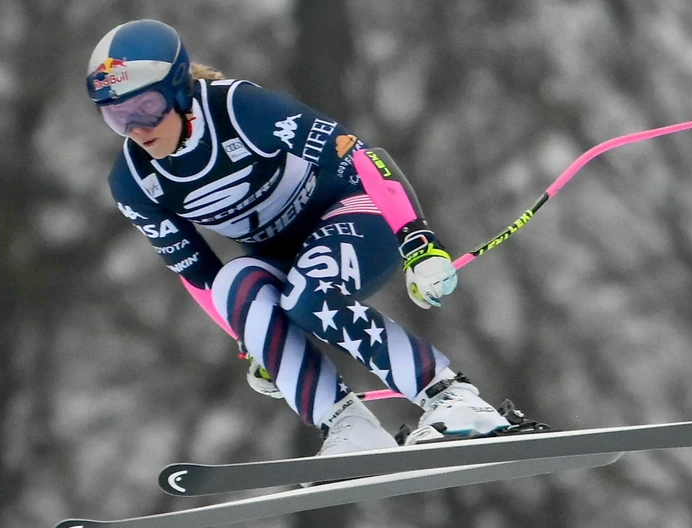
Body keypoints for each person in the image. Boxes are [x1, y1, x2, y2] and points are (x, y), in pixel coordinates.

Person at [86, 19, 528, 456]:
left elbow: (358, 155)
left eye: (146, 107)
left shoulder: (239, 109)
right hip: (287, 258)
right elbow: (199, 276)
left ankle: (452, 398)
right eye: (117, 116)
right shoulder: (134, 182)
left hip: (357, 214)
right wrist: (251, 341)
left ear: (179, 89)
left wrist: (419, 243)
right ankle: (348, 427)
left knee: (308, 293)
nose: (137, 129)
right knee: (236, 286)